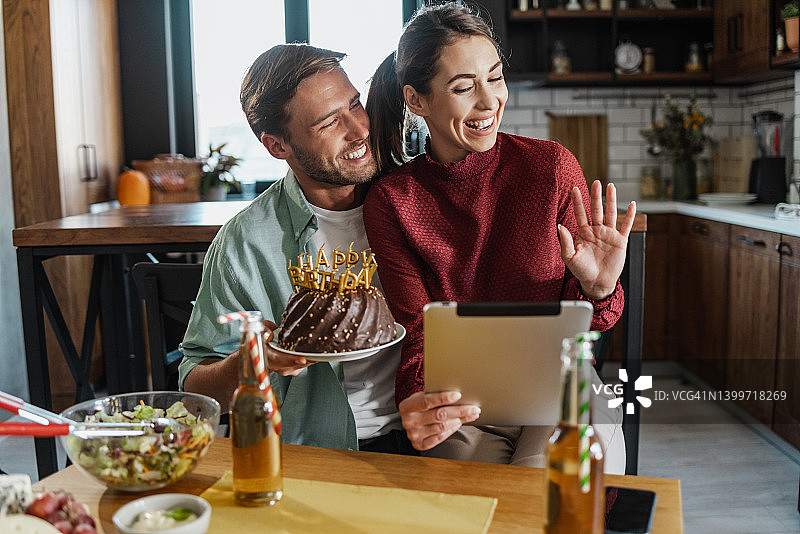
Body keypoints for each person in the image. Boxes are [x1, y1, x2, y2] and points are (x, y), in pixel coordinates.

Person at [363, 2, 635, 472]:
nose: (489, 101)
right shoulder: (393, 201)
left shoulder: (549, 167)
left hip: (562, 385)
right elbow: (418, 335)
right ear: (416, 100)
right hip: (465, 402)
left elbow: (592, 324)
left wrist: (598, 289)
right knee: (482, 506)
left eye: (495, 77)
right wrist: (423, 406)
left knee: (548, 489)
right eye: (465, 87)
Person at [179, 43, 421, 455]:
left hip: (430, 437)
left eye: (355, 105)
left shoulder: (416, 199)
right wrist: (254, 360)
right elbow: (194, 391)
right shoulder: (245, 243)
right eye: (329, 123)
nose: (360, 129)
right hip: (316, 452)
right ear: (277, 146)